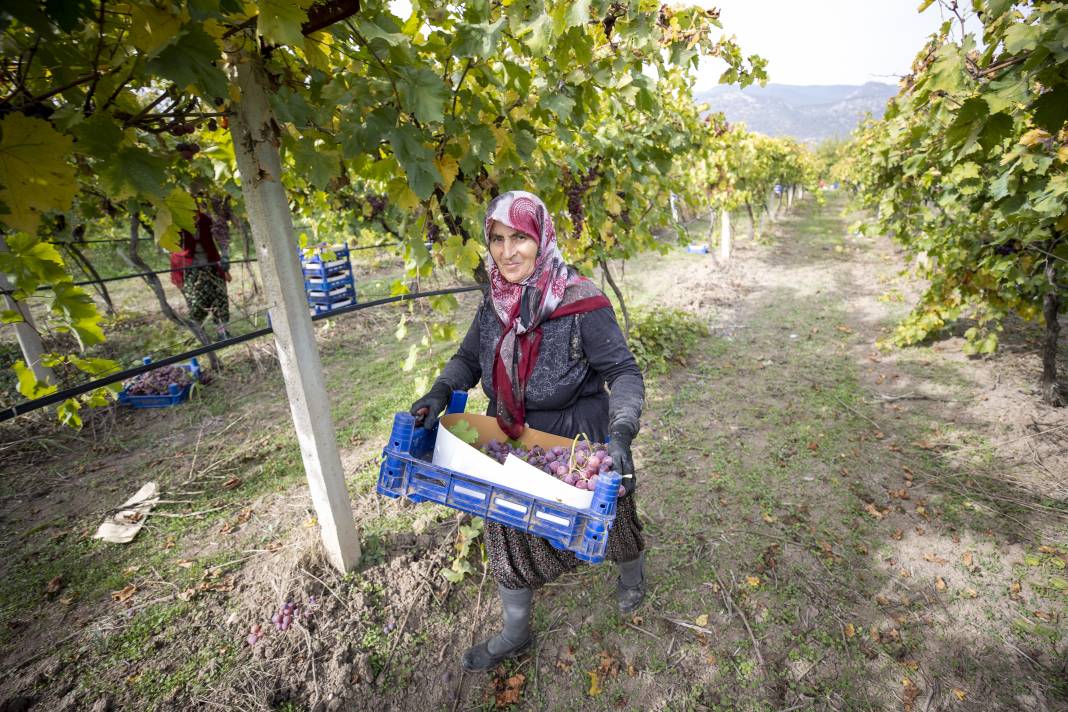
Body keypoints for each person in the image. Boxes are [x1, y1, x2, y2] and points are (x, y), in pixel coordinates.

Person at [410, 191, 646, 672]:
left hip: (578, 438)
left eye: (520, 237)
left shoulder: (582, 302)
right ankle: (515, 632)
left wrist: (620, 432)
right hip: (513, 439)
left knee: (611, 520)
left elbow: (623, 372)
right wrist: (441, 390)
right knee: (507, 529)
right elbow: (468, 360)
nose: (507, 251)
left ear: (542, 239)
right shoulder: (494, 300)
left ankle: (632, 577)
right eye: (496, 239)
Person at [170, 197, 231, 338]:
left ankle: (223, 332)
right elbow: (172, 250)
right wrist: (178, 274)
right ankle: (199, 334)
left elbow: (221, 236)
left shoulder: (207, 220)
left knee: (220, 298)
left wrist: (225, 257)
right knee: (196, 302)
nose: (194, 214)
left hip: (212, 265)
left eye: (195, 210)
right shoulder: (177, 223)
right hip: (190, 269)